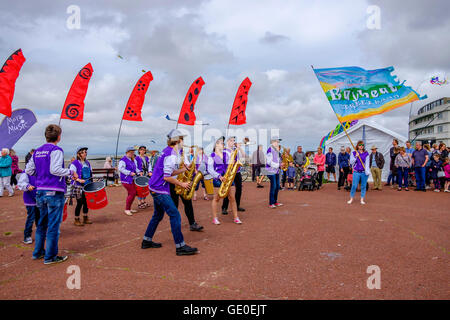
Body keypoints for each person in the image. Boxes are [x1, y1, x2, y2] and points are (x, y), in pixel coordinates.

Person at [25, 124, 78, 264]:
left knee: (42, 224)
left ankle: (38, 253)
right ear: (59, 137)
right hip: (54, 191)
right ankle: (50, 257)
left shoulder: (37, 151)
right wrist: (70, 172)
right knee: (53, 226)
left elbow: (29, 170)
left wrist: (41, 175)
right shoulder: (57, 150)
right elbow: (55, 169)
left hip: (40, 191)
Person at [142, 129, 198, 256]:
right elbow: (166, 177)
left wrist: (184, 169)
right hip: (159, 189)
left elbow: (170, 172)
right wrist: (182, 184)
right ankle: (180, 246)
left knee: (157, 216)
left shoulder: (168, 151)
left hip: (155, 187)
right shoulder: (172, 154)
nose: (184, 142)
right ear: (177, 140)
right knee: (175, 215)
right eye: (182, 139)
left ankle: (146, 241)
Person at [169, 142, 203, 232]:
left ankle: (192, 223)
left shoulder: (182, 155)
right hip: (173, 182)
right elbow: (170, 171)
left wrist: (190, 165)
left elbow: (187, 166)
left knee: (188, 202)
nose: (183, 144)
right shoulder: (171, 155)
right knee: (174, 205)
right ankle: (175, 225)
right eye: (181, 142)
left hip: (183, 181)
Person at [208, 136, 242, 224]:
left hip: (228, 177)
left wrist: (235, 153)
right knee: (216, 199)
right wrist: (219, 176)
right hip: (218, 178)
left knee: (232, 198)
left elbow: (231, 162)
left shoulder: (225, 154)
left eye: (223, 143)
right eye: (221, 143)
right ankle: (215, 218)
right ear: (216, 145)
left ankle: (236, 217)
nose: (223, 144)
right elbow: (210, 169)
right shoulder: (211, 156)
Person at [69, 147, 93, 226]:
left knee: (86, 202)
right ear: (78, 154)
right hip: (78, 186)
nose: (85, 153)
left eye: (85, 152)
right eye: (82, 152)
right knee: (80, 202)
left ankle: (85, 217)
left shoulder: (87, 163)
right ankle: (76, 219)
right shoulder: (74, 163)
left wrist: (93, 181)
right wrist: (79, 180)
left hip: (87, 185)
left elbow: (90, 174)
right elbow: (71, 175)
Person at [221, 136, 245, 214]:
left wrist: (240, 148)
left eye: (234, 140)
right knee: (228, 190)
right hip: (229, 172)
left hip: (237, 172)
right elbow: (227, 161)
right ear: (227, 142)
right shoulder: (224, 151)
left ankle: (237, 206)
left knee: (239, 189)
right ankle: (224, 207)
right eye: (231, 140)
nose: (233, 142)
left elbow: (244, 155)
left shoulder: (236, 150)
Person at [17, 170, 39, 244]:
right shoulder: (26, 172)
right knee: (31, 217)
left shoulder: (41, 169)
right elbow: (21, 183)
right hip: (30, 199)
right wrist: (27, 186)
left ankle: (40, 233)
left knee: (40, 217)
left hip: (39, 198)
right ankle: (27, 236)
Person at [119, 147, 142, 216]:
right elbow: (120, 169)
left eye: (133, 152)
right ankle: (127, 209)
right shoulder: (123, 160)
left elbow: (136, 168)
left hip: (132, 179)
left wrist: (139, 172)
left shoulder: (133, 160)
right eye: (130, 152)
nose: (132, 153)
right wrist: (129, 173)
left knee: (131, 194)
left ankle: (129, 208)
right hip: (125, 180)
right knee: (133, 193)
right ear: (127, 153)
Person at [265, 136, 283, 209]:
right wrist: (279, 165)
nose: (278, 143)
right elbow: (269, 162)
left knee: (277, 186)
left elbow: (277, 160)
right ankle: (271, 203)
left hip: (276, 171)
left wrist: (280, 164)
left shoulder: (276, 150)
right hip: (270, 171)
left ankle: (275, 201)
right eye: (277, 141)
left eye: (278, 142)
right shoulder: (270, 150)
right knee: (274, 186)